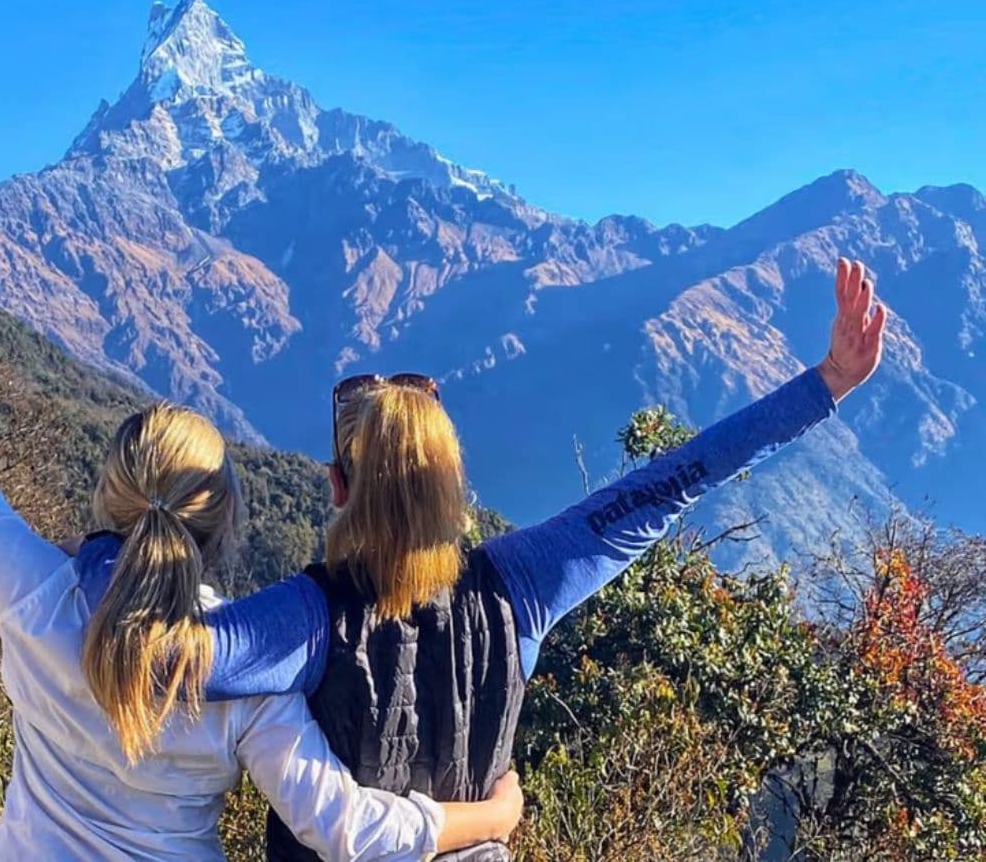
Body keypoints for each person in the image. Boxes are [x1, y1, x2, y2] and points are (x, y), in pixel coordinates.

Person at [0, 238, 525, 861]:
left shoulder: (34, 596)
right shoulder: (241, 671)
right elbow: (344, 825)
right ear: (224, 525)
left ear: (110, 494)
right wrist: (493, 816)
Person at [201, 260, 887, 860]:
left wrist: (104, 554)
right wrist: (827, 381)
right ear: (453, 488)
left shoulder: (307, 618)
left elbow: (164, 657)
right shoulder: (518, 586)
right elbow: (675, 480)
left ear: (338, 486)